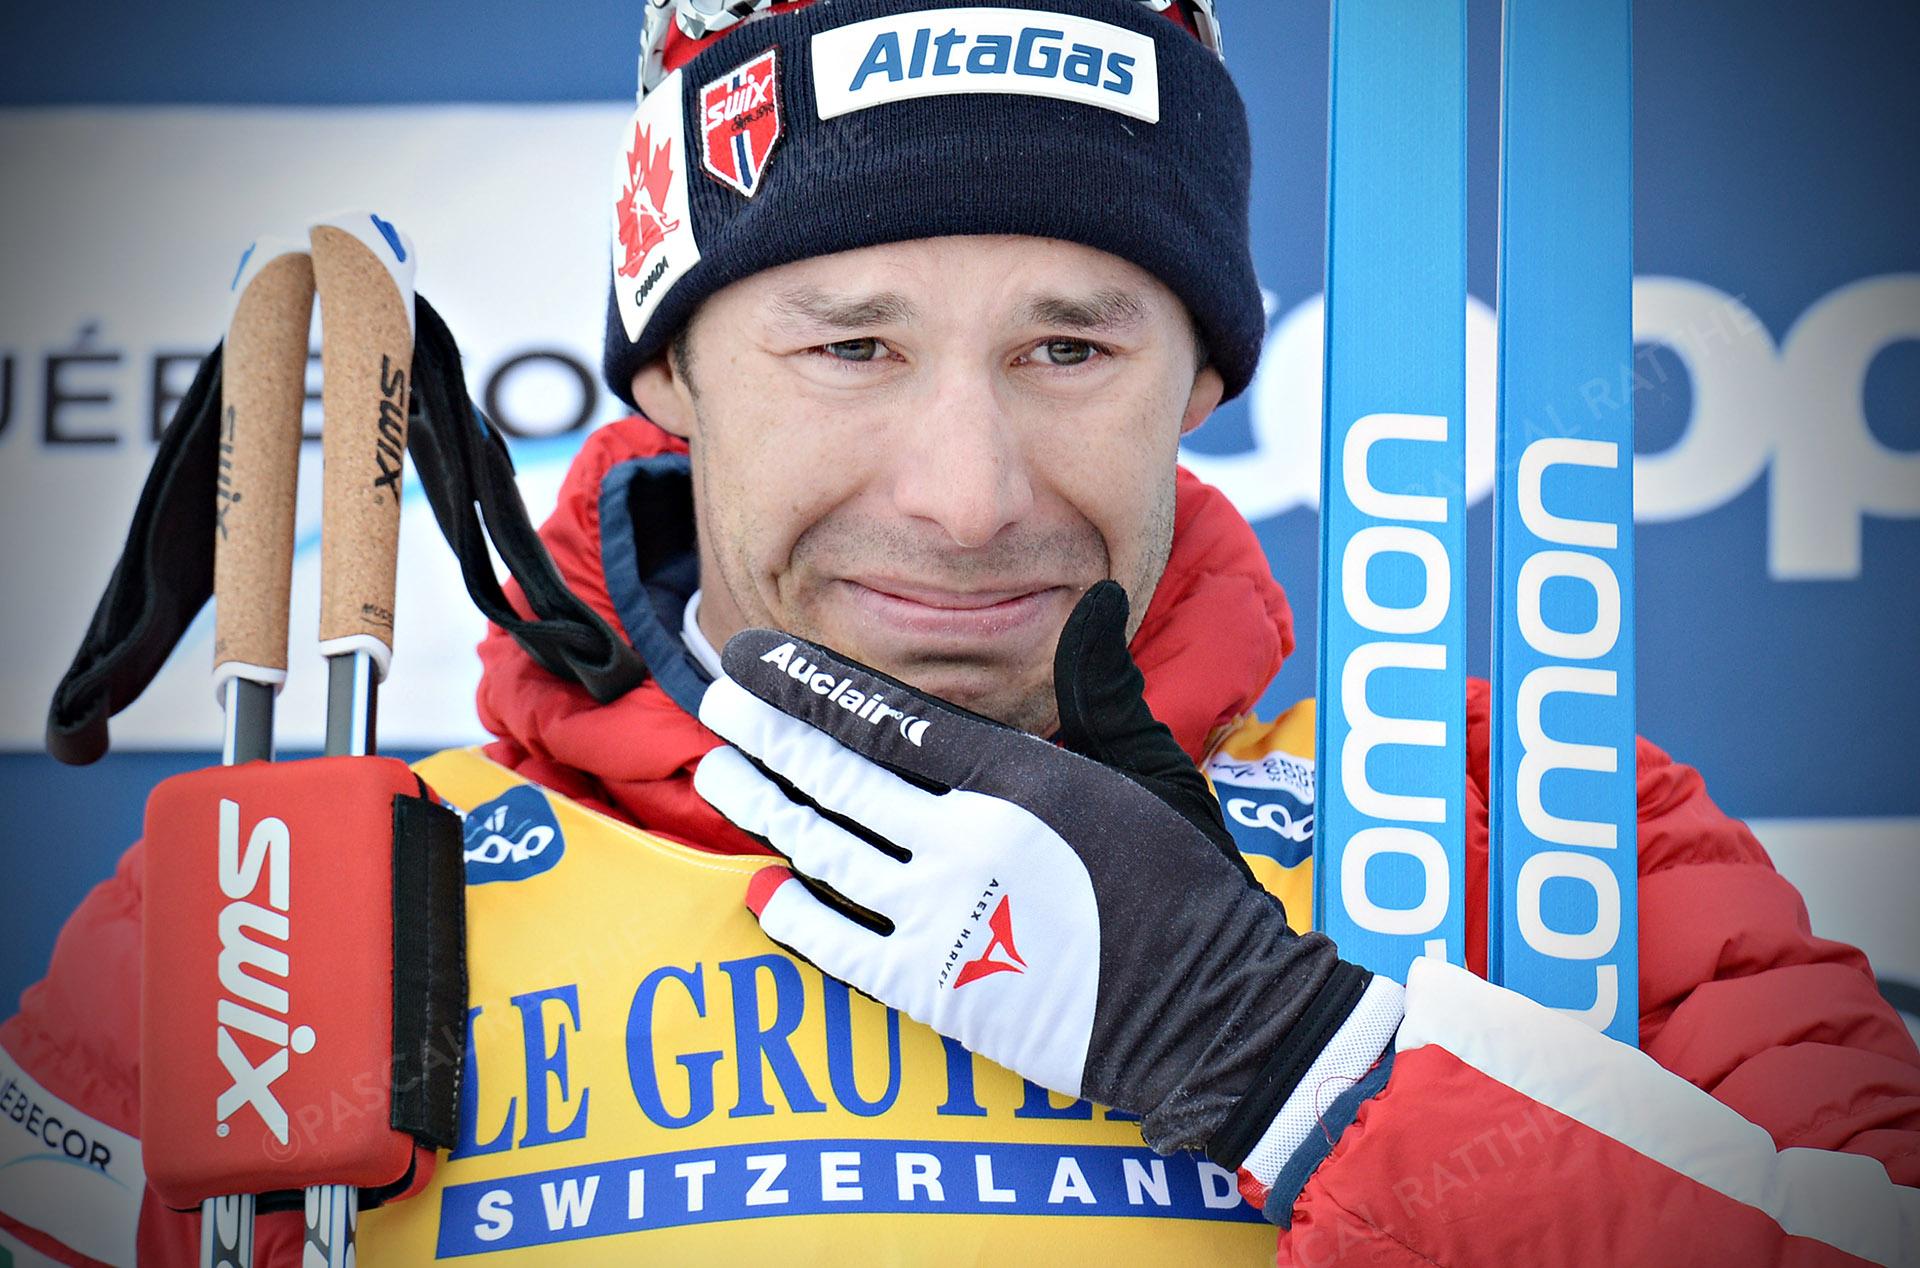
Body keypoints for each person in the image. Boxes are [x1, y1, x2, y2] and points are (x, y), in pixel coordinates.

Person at [4, 1, 1917, 1264]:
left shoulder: (1527, 822)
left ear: (1204, 372)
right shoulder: (285, 904)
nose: (968, 490)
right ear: (671, 364)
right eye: (851, 347)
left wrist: (1305, 1069)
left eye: (1070, 348)